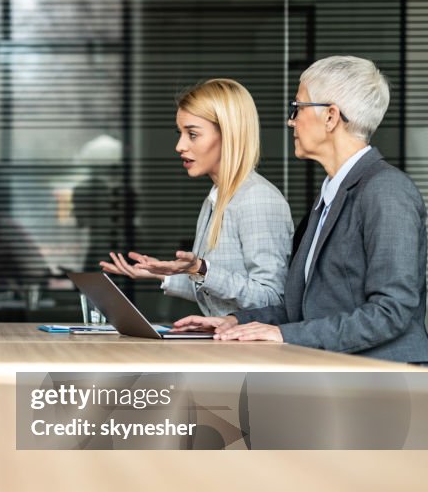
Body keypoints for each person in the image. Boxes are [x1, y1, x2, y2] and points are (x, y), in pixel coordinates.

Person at [175, 56, 428, 363]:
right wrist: (237, 321)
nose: (290, 120)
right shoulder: (331, 195)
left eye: (298, 108)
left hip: (383, 381)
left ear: (331, 117)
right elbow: (306, 307)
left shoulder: (386, 191)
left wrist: (286, 335)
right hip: (341, 374)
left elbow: (391, 312)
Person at [100, 78, 293, 316]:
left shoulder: (258, 199)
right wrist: (161, 273)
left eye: (192, 134)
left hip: (249, 350)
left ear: (229, 134)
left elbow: (271, 299)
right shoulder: (216, 198)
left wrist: (202, 269)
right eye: (180, 133)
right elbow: (215, 292)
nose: (179, 146)